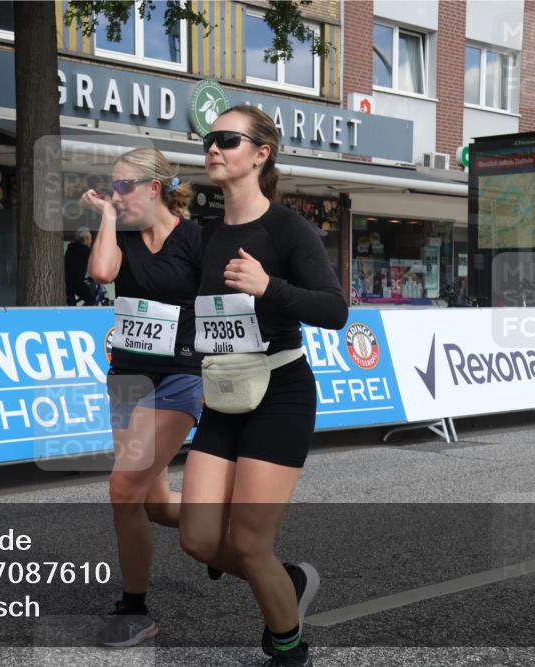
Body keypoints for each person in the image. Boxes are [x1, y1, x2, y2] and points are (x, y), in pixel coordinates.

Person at [178, 106, 348, 666]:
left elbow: (334, 309)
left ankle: (288, 647)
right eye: (210, 139)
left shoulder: (286, 228)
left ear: (260, 154)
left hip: (280, 394)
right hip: (226, 394)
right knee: (199, 538)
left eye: (228, 139)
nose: (214, 148)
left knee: (251, 543)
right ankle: (288, 580)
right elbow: (201, 316)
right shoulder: (205, 237)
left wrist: (268, 285)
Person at [80, 147, 203, 647]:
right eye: (113, 186)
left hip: (178, 380)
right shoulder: (123, 235)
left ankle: (134, 609)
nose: (116, 193)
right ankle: (247, 551)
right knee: (150, 504)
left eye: (124, 186)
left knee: (123, 488)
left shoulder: (196, 239)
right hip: (128, 379)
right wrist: (109, 216)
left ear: (155, 188)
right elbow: (103, 273)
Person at [64, 226, 96, 305]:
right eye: (90, 239)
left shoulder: (71, 248)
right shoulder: (85, 251)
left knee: (72, 305)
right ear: (85, 240)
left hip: (66, 283)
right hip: (76, 283)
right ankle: (83, 317)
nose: (91, 241)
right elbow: (96, 263)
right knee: (91, 299)